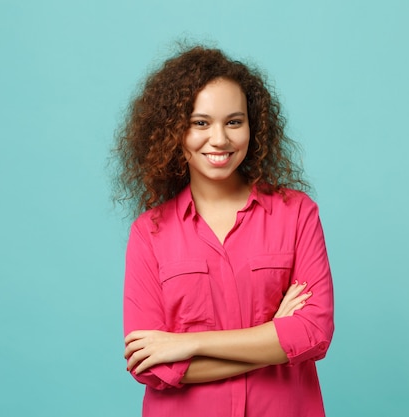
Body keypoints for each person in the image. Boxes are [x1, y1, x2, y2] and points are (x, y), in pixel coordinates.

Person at [114, 45, 334, 417]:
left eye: (234, 121)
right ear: (173, 131)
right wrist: (274, 337)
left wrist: (188, 345)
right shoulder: (148, 234)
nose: (219, 139)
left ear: (254, 126)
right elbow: (152, 367)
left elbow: (312, 334)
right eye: (201, 123)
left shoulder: (297, 215)